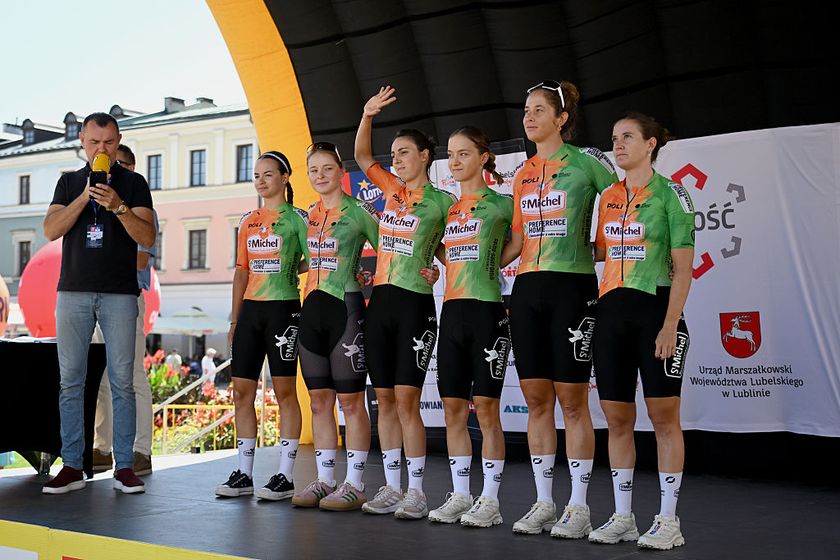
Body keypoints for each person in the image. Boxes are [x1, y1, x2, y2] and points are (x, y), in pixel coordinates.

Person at [497, 80, 618, 536]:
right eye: (526, 109)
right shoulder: (523, 171)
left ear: (561, 118)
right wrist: (471, 264)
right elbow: (515, 239)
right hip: (527, 289)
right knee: (535, 399)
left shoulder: (588, 164)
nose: (529, 117)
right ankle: (545, 501)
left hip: (572, 287)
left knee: (571, 400)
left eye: (539, 109)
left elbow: (625, 205)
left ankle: (579, 506)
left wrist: (604, 247)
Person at [588, 112, 694, 550]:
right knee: (616, 419)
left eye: (628, 137)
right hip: (610, 314)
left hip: (655, 314)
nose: (618, 145)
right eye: (614, 139)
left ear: (651, 144)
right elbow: (597, 250)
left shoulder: (673, 194)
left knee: (664, 419)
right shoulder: (609, 195)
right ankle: (623, 516)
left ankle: (669, 520)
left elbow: (684, 269)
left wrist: (670, 324)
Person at [354, 86, 454, 519]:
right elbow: (361, 157)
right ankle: (391, 486)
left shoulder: (445, 202)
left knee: (408, 400)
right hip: (382, 302)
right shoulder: (390, 189)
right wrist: (367, 115)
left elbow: (459, 248)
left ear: (425, 156)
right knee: (385, 400)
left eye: (404, 152)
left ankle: (417, 491)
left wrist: (441, 269)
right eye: (393, 153)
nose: (395, 158)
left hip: (415, 304)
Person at [42, 112, 156, 494]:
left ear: (118, 139)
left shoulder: (134, 183)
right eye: (94, 143)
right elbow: (51, 230)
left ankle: (124, 466)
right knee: (70, 382)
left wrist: (119, 206)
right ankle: (73, 464)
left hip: (120, 293)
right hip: (72, 291)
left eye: (108, 143)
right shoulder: (69, 181)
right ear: (82, 141)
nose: (101, 150)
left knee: (123, 382)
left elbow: (148, 236)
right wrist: (83, 198)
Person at [427, 127, 513, 528]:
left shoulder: (502, 203)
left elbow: (528, 238)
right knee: (452, 409)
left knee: (489, 411)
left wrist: (495, 259)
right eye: (451, 155)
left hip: (487, 311)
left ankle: (490, 500)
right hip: (453, 312)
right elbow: (439, 247)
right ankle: (461, 494)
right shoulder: (448, 209)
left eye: (464, 154)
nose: (456, 161)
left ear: (484, 157)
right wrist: (439, 261)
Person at [290, 142, 380, 511]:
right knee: (318, 400)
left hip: (346, 307)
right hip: (311, 311)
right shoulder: (306, 215)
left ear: (341, 170)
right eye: (314, 170)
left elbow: (387, 253)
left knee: (351, 401)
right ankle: (325, 479)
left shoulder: (359, 211)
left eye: (327, 168)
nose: (321, 175)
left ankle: (355, 483)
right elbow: (294, 261)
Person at [215, 151, 309, 501]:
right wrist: (234, 317)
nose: (261, 180)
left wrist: (287, 270)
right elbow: (241, 271)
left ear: (285, 178)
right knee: (241, 391)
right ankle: (244, 473)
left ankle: (284, 475)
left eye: (268, 174)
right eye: (256, 175)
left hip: (284, 310)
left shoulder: (298, 218)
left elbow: (313, 262)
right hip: (250, 313)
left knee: (285, 393)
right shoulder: (248, 221)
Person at [92, 144, 158, 477]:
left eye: (122, 165)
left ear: (132, 169)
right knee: (100, 375)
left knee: (132, 376)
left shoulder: (142, 206)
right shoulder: (97, 205)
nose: (115, 170)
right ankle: (102, 448)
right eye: (112, 165)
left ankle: (140, 450)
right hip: (96, 296)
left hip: (127, 295)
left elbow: (142, 256)